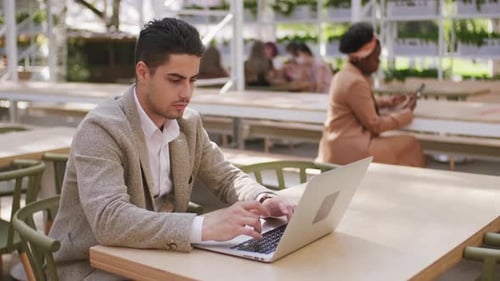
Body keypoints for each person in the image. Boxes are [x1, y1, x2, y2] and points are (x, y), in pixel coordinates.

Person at [49, 18, 295, 280]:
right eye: (175, 80)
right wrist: (204, 225)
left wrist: (264, 199)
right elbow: (110, 220)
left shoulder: (188, 123)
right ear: (143, 72)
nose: (186, 93)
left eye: (192, 80)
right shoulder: (101, 129)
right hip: (95, 265)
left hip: (161, 255)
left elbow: (226, 177)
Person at [316, 22, 426, 167]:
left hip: (336, 145)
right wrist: (406, 113)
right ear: (363, 58)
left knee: (401, 144)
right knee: (411, 143)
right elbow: (376, 125)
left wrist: (388, 101)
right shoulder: (356, 81)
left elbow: (357, 104)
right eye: (376, 58)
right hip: (352, 152)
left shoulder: (343, 75)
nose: (379, 62)